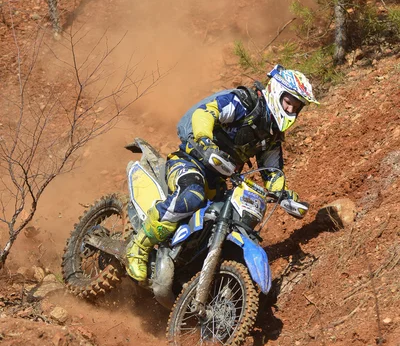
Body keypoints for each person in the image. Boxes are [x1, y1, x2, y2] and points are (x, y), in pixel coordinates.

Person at [126, 64, 319, 283]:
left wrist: (282, 193)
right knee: (192, 195)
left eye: (297, 107)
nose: (291, 111)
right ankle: (139, 246)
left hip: (218, 179)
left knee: (225, 219)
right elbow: (206, 112)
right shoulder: (245, 104)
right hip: (190, 161)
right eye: (288, 103)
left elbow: (272, 171)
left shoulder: (271, 135)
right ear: (276, 91)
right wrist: (205, 140)